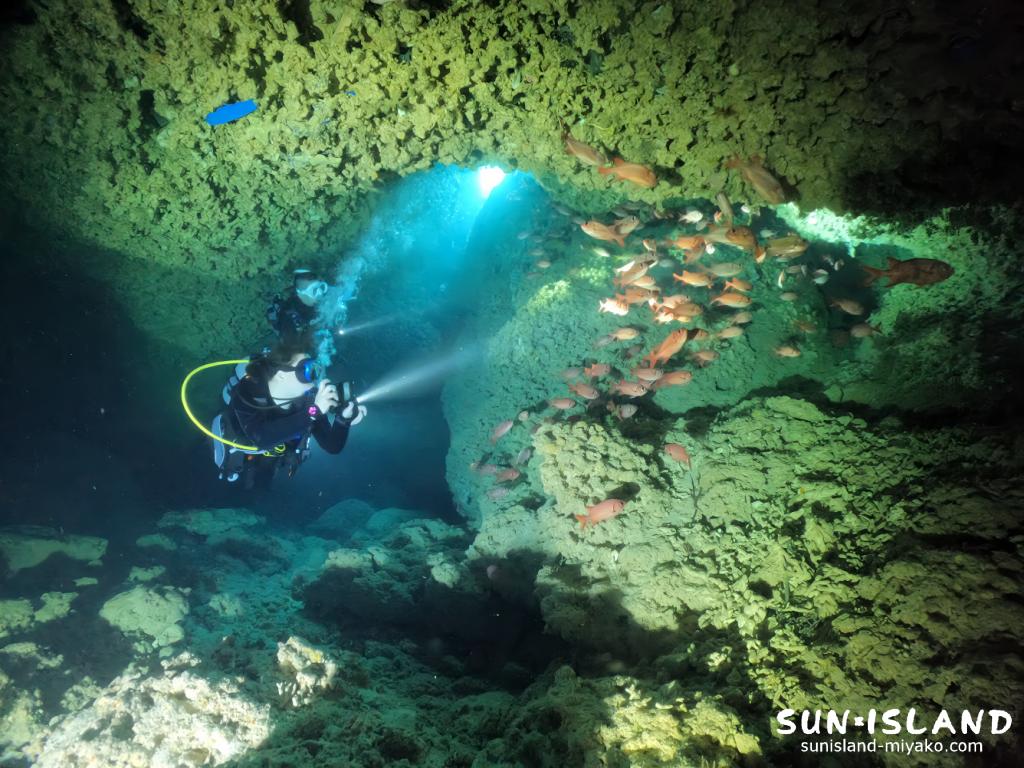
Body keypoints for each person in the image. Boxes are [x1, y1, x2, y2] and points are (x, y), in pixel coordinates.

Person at [216, 341, 366, 489]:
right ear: (281, 375)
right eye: (305, 370)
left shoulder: (309, 399)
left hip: (278, 455)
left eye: (314, 367)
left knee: (265, 482)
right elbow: (261, 438)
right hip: (241, 450)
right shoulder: (249, 392)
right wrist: (315, 411)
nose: (314, 376)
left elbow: (332, 446)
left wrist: (343, 420)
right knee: (241, 483)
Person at [266, 268, 329, 347]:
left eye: (322, 287)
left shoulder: (321, 303)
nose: (320, 294)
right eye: (314, 291)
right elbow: (292, 348)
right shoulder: (289, 319)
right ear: (300, 294)